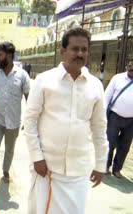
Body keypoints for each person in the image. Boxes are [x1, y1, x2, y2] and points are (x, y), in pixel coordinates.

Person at [24, 28, 108, 214]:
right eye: (75, 49)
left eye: (84, 49)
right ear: (63, 52)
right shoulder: (45, 80)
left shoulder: (95, 85)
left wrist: (101, 164)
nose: (80, 54)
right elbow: (29, 121)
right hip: (47, 168)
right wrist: (37, 157)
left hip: (78, 171)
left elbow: (99, 127)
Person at [0, 42, 30, 182]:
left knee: (9, 150)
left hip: (13, 122)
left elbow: (28, 99)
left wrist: (29, 121)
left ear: (10, 56)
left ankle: (5, 171)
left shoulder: (22, 75)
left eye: (0, 55)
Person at [105, 60, 133, 179]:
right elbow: (107, 96)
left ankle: (117, 169)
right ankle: (105, 166)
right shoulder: (117, 78)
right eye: (131, 66)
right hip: (115, 116)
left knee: (125, 146)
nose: (132, 68)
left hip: (131, 120)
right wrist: (103, 114)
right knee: (110, 142)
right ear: (127, 67)